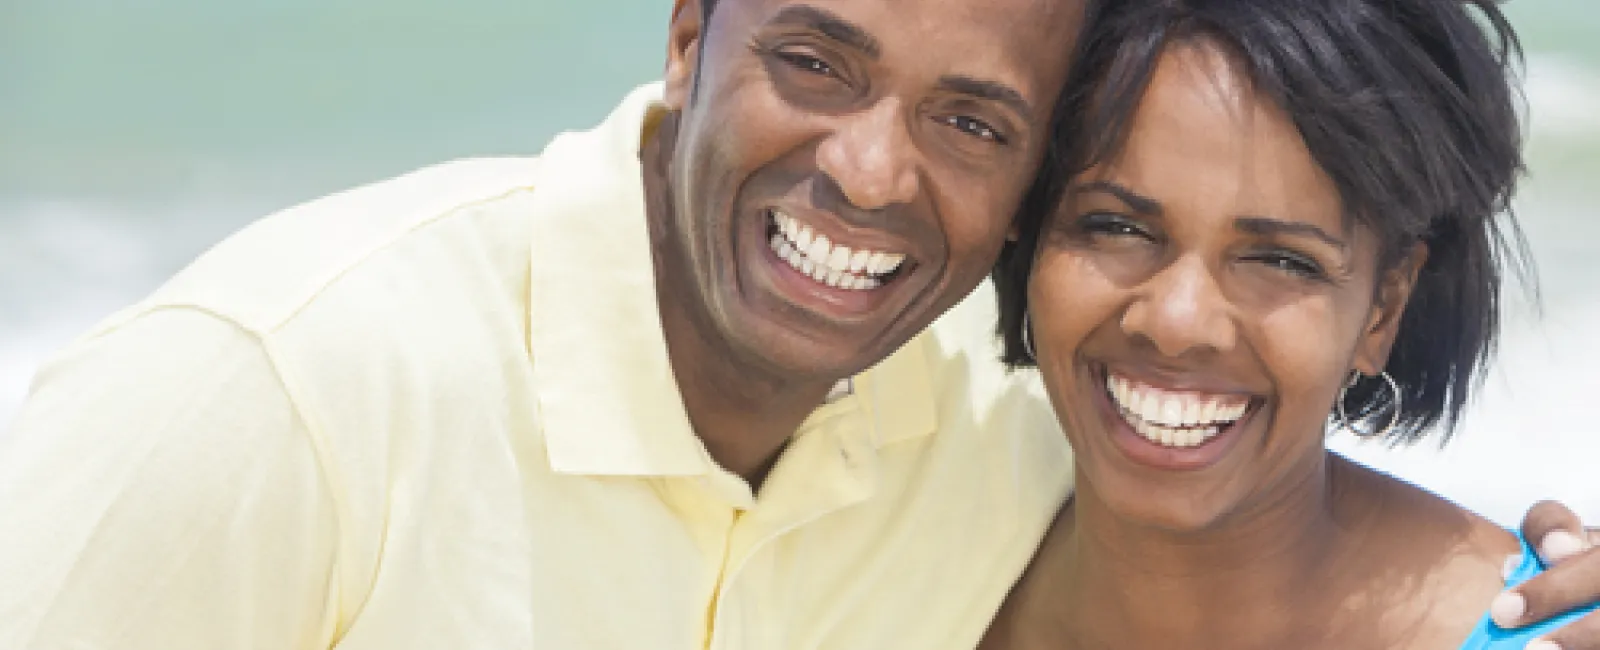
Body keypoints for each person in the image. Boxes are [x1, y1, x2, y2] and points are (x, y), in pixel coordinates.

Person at [0, 0, 1596, 648]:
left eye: (975, 120)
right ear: (692, 32)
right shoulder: (279, 385)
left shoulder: (970, 445)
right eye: (817, 61)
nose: (870, 173)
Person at [982, 0, 1598, 648]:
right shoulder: (919, 566)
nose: (1177, 321)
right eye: (1116, 227)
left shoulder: (1536, 634)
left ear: (1382, 310)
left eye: (1281, 260)